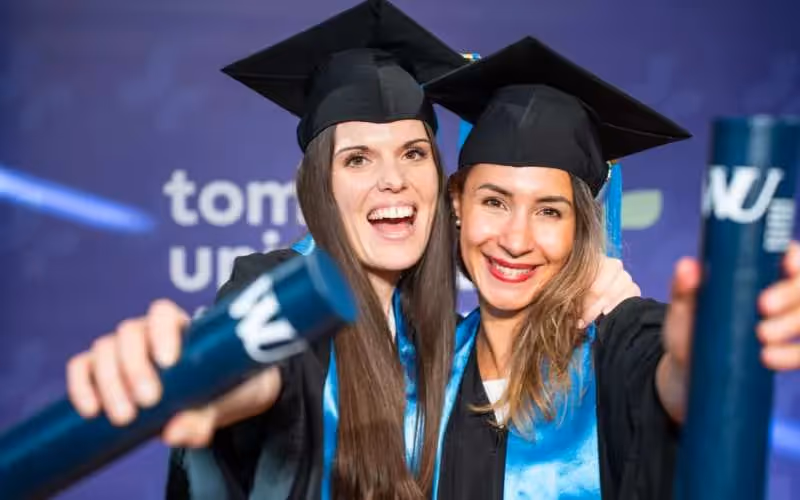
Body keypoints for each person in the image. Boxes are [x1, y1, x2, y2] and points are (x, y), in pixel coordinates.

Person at [65, 7, 641, 500]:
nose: (393, 180)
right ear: (321, 185)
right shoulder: (284, 287)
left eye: (414, 153)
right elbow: (262, 372)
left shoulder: (445, 343)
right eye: (358, 158)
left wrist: (608, 303)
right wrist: (194, 376)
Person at [425, 36, 800, 499]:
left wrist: (705, 357)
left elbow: (669, 382)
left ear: (581, 226)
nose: (515, 240)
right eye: (495, 201)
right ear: (459, 203)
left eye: (549, 211)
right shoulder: (422, 365)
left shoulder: (616, 346)